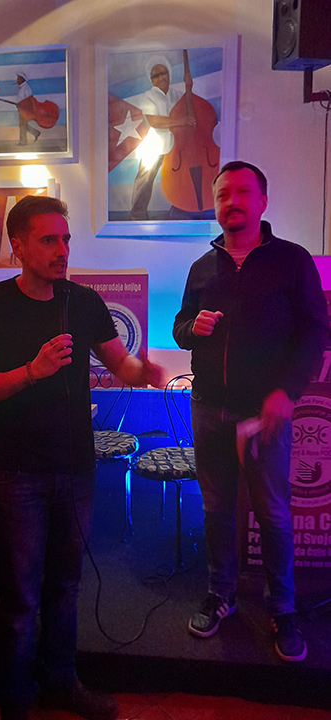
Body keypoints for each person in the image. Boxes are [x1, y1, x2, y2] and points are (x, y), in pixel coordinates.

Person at [0, 195, 163, 720]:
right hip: (17, 472)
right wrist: (32, 371)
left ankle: (61, 684)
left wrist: (143, 371)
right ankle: (15, 701)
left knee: (65, 588)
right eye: (49, 239)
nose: (62, 250)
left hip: (75, 468)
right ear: (18, 246)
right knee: (20, 599)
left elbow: (120, 363)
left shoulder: (84, 302)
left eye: (66, 239)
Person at [173, 161, 329, 662]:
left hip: (265, 413)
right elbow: (180, 327)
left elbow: (315, 331)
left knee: (274, 514)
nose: (232, 201)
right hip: (208, 407)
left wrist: (288, 391)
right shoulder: (202, 266)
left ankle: (282, 607)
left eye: (242, 192)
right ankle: (221, 595)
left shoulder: (292, 260)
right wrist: (191, 327)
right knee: (216, 509)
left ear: (262, 201)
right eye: (223, 194)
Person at [129, 54, 195, 220]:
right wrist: (180, 121)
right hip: (154, 146)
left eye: (162, 73)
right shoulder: (149, 96)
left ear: (169, 74)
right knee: (145, 181)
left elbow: (190, 114)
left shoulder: (177, 95)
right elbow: (154, 121)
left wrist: (189, 89)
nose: (160, 78)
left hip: (176, 146)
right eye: (155, 75)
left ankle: (178, 210)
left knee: (179, 179)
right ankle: (137, 215)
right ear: (151, 80)